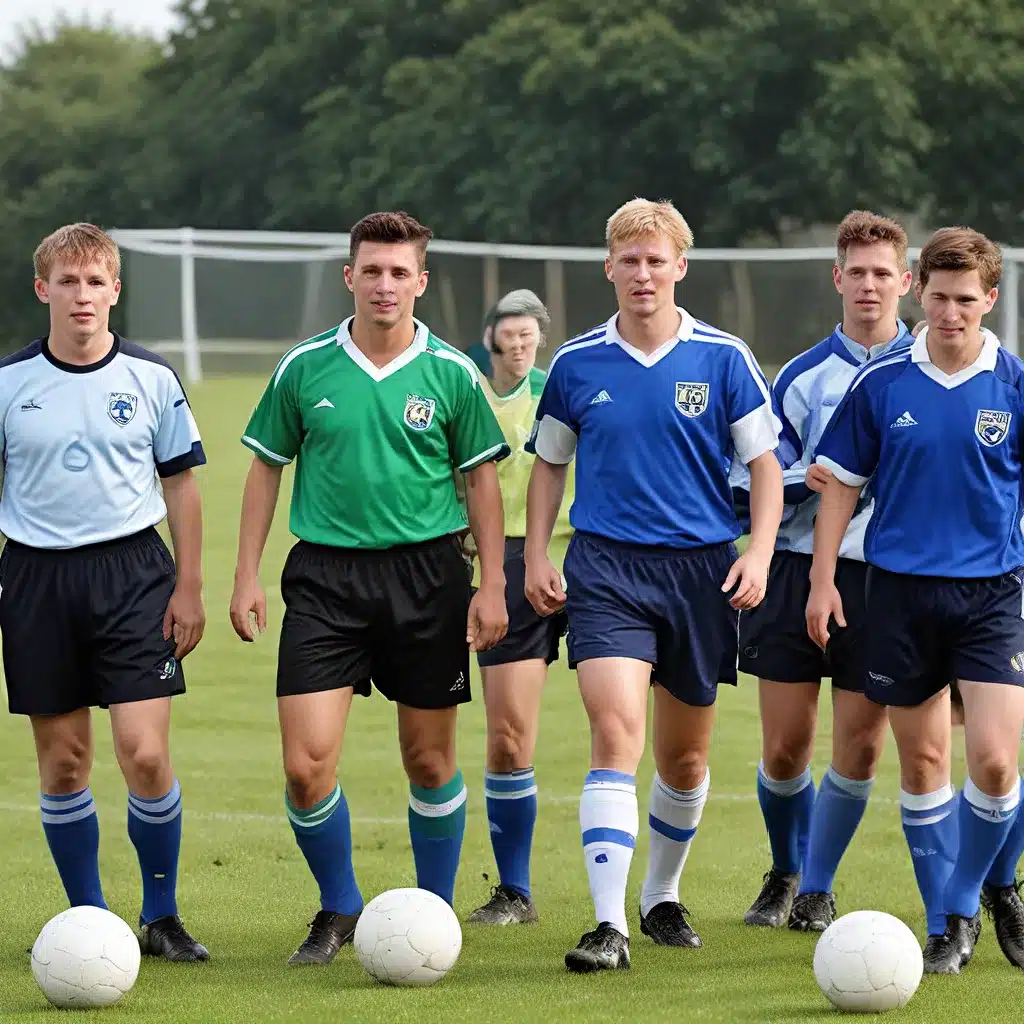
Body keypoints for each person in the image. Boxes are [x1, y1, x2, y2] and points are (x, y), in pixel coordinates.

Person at [229, 210, 510, 965]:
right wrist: (246, 573)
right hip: (325, 579)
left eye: (399, 272)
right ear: (349, 276)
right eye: (372, 270)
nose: (385, 284)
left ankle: (432, 914)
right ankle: (339, 907)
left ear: (421, 281)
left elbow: (482, 480)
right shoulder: (304, 368)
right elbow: (265, 469)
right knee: (305, 764)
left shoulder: (452, 372)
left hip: (429, 575)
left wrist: (492, 585)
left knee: (429, 760)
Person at [524, 198, 783, 972]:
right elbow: (548, 464)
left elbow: (766, 468)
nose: (642, 273)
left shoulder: (724, 358)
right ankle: (609, 928)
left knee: (685, 763)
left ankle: (659, 895)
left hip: (702, 572)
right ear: (609, 267)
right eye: (628, 260)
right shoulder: (575, 363)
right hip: (606, 569)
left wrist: (760, 553)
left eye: (655, 259)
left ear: (679, 267)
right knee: (615, 734)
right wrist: (539, 552)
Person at [809, 226, 1024, 974]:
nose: (951, 312)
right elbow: (840, 485)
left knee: (996, 764)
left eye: (967, 299)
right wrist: (822, 577)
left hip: (994, 593)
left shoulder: (1015, 384)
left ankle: (969, 898)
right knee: (925, 762)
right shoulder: (885, 382)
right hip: (896, 592)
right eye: (938, 297)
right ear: (918, 292)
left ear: (989, 299)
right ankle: (945, 927)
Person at [0, 223, 208, 961]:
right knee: (62, 763)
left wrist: (189, 584)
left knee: (144, 754)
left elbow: (180, 484)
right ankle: (90, 923)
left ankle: (161, 914)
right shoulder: (9, 383)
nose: (82, 295)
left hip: (133, 576)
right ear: (42, 290)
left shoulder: (151, 378)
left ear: (115, 290)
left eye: (95, 282)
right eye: (68, 282)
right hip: (35, 577)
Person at [739, 211, 913, 933]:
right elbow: (757, 469)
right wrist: (807, 478)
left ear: (905, 282)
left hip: (879, 576)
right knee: (784, 747)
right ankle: (784, 868)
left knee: (860, 744)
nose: (870, 286)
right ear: (837, 279)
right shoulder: (803, 376)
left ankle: (819, 884)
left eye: (884, 274)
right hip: (793, 568)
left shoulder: (926, 373)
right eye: (858, 273)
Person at [459, 289, 574, 927]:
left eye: (532, 333)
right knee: (508, 735)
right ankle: (515, 891)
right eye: (511, 332)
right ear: (491, 337)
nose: (522, 342)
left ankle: (656, 894)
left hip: (585, 561)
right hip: (500, 565)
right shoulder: (468, 395)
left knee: (632, 733)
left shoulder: (563, 389)